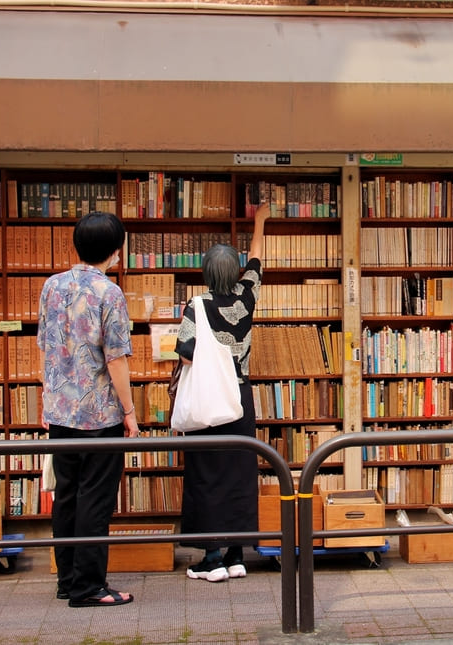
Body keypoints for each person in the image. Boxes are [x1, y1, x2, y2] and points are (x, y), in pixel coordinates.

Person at [37, 211, 139, 607]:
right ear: (116, 251)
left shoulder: (52, 285)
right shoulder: (108, 292)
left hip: (60, 412)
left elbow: (45, 346)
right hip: (98, 415)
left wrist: (48, 396)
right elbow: (115, 358)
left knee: (66, 496)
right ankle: (89, 587)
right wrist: (129, 411)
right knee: (95, 499)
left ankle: (68, 580)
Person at [175, 203, 270, 582]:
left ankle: (211, 558)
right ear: (237, 273)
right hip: (240, 398)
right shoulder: (247, 299)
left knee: (205, 474)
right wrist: (260, 222)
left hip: (208, 400)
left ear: (205, 273)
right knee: (237, 472)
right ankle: (236, 555)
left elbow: (185, 357)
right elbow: (258, 260)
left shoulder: (196, 306)